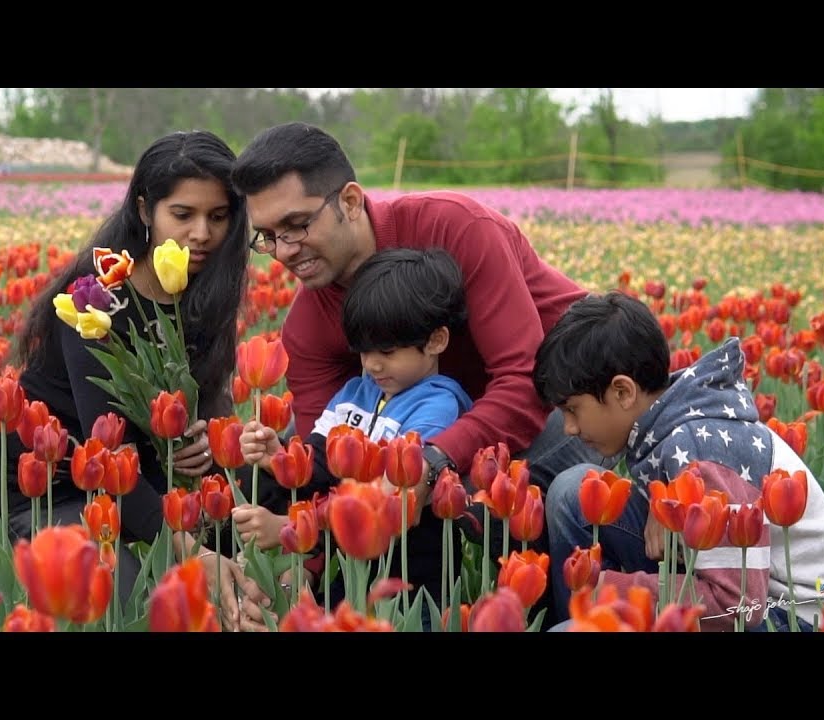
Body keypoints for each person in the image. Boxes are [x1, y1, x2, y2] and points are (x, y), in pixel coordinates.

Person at [230, 122, 607, 554]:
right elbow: (327, 468)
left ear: (350, 201)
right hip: (429, 416)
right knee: (288, 448)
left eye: (297, 225)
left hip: (560, 396)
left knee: (455, 491)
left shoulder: (456, 228)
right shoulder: (307, 323)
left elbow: (524, 382)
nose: (283, 251)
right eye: (268, 237)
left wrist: (429, 462)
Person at [0, 130, 260, 629]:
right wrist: (194, 552)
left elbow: (207, 410)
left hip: (149, 482)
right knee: (128, 595)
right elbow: (107, 452)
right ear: (145, 209)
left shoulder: (206, 296)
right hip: (54, 489)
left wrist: (199, 445)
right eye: (183, 214)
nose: (201, 233)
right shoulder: (94, 300)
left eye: (218, 216)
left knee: (246, 562)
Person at [534, 291, 824, 631]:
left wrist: (612, 590)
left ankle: (587, 615)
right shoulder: (671, 421)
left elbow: (739, 604)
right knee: (573, 492)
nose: (569, 428)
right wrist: (663, 500)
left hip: (789, 614)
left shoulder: (704, 450)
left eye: (572, 409)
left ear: (623, 392)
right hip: (731, 580)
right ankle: (581, 614)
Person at [235, 247, 473, 624]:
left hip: (411, 580)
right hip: (348, 568)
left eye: (387, 352)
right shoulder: (355, 393)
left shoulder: (439, 407)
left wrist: (289, 528)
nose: (372, 364)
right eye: (363, 351)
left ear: (436, 341)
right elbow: (318, 462)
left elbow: (387, 497)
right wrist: (277, 457)